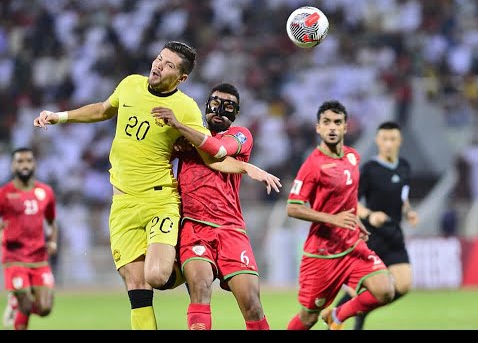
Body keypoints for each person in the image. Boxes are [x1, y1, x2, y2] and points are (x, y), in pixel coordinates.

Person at [33, 41, 281, 330]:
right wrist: (60, 116)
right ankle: (187, 265)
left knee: (162, 278)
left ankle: (181, 263)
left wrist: (247, 166)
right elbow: (103, 110)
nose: (159, 65)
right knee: (136, 285)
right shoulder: (129, 85)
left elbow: (216, 155)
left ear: (182, 77)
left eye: (169, 65)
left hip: (175, 206)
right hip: (126, 204)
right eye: (159, 59)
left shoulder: (193, 114)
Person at [151, 82, 272, 330]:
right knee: (200, 286)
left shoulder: (241, 135)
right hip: (194, 228)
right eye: (215, 103)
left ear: (235, 114)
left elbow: (218, 150)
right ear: (206, 105)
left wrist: (180, 127)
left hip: (231, 229)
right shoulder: (187, 137)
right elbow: (155, 155)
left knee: (251, 303)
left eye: (228, 106)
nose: (219, 110)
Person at [285, 100, 395, 330]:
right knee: (308, 317)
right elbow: (293, 207)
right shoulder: (312, 165)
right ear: (318, 128)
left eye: (337, 122)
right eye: (326, 122)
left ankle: (337, 315)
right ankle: (327, 316)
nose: (332, 127)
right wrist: (333, 219)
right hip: (323, 254)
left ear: (346, 127)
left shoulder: (353, 157)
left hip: (353, 245)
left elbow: (347, 196)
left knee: (385, 290)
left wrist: (355, 218)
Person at [335, 120, 419, 329]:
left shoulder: (405, 166)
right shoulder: (370, 169)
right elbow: (352, 201)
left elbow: (403, 197)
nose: (388, 144)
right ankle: (341, 314)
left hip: (394, 234)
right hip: (371, 236)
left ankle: (345, 313)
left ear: (399, 141)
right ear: (377, 141)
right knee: (368, 289)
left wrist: (408, 212)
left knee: (404, 285)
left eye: (393, 139)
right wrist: (370, 215)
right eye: (384, 139)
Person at [0, 147, 58, 330]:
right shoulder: (4, 194)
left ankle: (14, 304)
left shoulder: (46, 192)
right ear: (12, 166)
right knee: (25, 305)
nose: (24, 165)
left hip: (39, 257)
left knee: (45, 308)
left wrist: (53, 240)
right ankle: (18, 303)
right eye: (20, 161)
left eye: (28, 161)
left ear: (34, 164)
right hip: (14, 257)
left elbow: (51, 221)